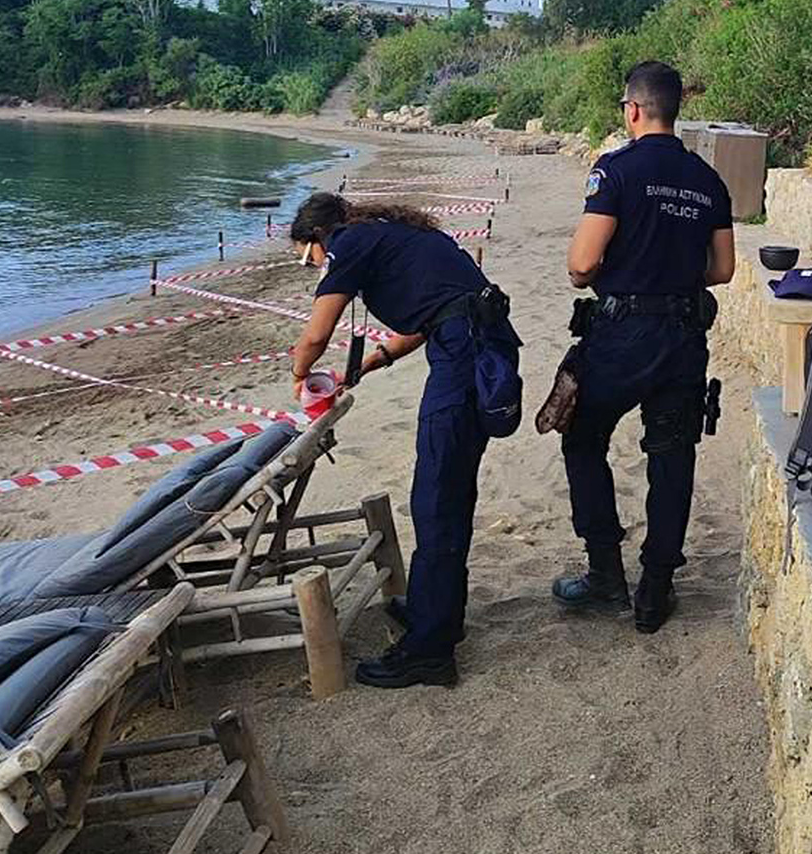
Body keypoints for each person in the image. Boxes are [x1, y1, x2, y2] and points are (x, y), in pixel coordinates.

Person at [289, 192, 518, 689]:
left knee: (437, 497)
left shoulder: (348, 244)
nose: (313, 265)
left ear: (317, 239)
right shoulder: (401, 234)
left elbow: (316, 334)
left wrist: (300, 373)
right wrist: (376, 361)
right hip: (476, 342)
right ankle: (435, 613)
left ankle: (430, 651)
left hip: (466, 357)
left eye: (308, 256)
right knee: (447, 489)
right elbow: (435, 311)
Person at [552, 61, 735, 633]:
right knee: (672, 455)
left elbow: (582, 265)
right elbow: (723, 269)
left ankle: (606, 573)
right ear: (674, 111)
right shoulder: (708, 179)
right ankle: (655, 589)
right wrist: (671, 274)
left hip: (621, 335)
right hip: (683, 337)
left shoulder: (615, 171)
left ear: (632, 109)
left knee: (583, 439)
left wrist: (624, 272)